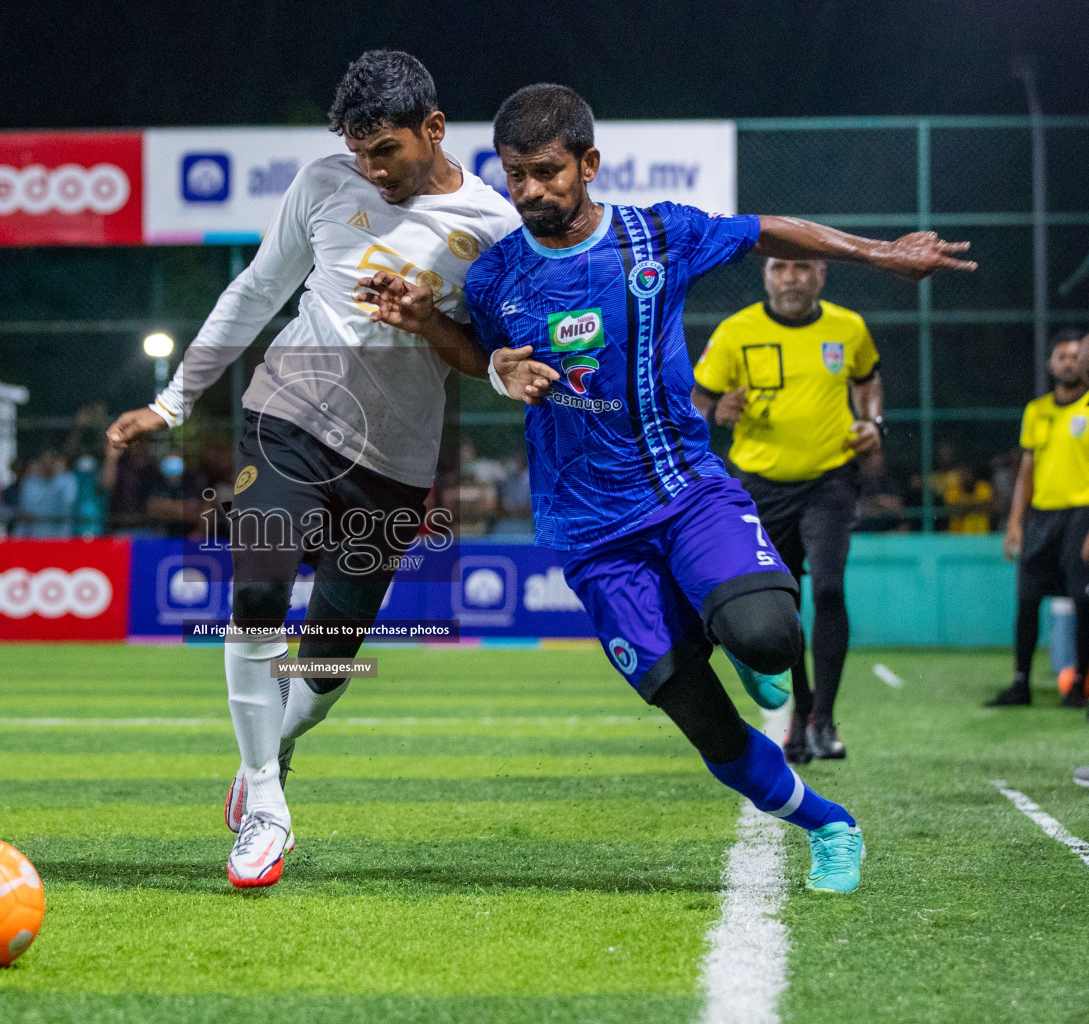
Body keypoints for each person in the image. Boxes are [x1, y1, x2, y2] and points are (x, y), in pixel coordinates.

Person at [370, 83, 975, 893]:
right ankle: (830, 822)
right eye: (514, 175)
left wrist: (877, 253)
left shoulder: (658, 234)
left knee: (769, 636)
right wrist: (434, 328)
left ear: (588, 164)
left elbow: (766, 230)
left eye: (547, 172)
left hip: (686, 490)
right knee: (699, 716)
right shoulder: (496, 275)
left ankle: (736, 628)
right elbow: (482, 355)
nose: (529, 192)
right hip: (588, 531)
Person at [104, 50, 529, 889]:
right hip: (288, 415)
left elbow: (493, 359)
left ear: (434, 130)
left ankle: (280, 742)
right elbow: (256, 292)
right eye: (358, 151)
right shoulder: (323, 184)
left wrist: (454, 337)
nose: (370, 169)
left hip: (396, 464)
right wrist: (173, 403)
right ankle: (264, 803)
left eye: (386, 153)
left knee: (327, 663)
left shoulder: (495, 227)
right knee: (257, 587)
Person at [691, 256, 883, 763]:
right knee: (785, 600)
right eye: (779, 268)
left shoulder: (849, 327)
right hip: (760, 487)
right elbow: (698, 401)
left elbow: (867, 379)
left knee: (828, 587)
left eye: (802, 267)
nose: (790, 277)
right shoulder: (736, 331)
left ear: (821, 274)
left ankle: (826, 719)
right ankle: (801, 715)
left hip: (830, 479)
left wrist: (874, 422)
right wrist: (718, 410)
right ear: (766, 276)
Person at [988, 330, 1089, 708]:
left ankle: (1079, 682)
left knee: (1082, 600)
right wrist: (1015, 521)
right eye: (1060, 356)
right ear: (1050, 364)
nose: (1068, 361)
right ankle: (1020, 683)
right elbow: (1027, 470)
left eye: (1074, 355)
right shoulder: (1037, 411)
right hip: (1042, 516)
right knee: (1027, 597)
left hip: (1083, 512)